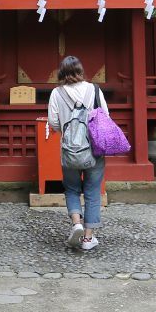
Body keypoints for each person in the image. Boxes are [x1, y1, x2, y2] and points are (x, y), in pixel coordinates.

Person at [47, 54, 104, 252]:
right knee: (93, 192)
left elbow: (53, 122)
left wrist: (66, 128)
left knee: (71, 189)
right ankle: (88, 239)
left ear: (61, 73)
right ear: (80, 70)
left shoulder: (56, 93)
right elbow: (105, 116)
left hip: (69, 150)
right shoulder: (94, 89)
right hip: (93, 150)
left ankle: (76, 223)